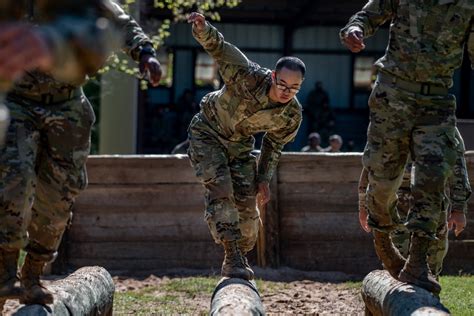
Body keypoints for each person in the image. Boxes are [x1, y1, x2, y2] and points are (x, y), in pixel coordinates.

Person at [0, 0, 162, 306]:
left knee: (58, 197)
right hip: (17, 102)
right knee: (12, 184)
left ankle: (32, 275)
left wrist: (145, 52)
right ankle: (4, 275)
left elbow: (118, 19)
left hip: (67, 105)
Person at [341, 0, 474, 293]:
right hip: (393, 93)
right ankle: (384, 242)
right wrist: (354, 29)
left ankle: (417, 262)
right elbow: (366, 16)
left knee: (432, 179)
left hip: (437, 100)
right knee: (384, 178)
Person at [187, 12, 304, 280]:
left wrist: (263, 179)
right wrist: (203, 28)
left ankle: (239, 251)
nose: (286, 92)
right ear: (273, 76)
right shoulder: (246, 74)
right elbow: (219, 48)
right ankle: (232, 256)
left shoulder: (291, 115)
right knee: (222, 189)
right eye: (282, 84)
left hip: (239, 146)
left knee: (249, 218)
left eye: (294, 88)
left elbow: (273, 146)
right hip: (208, 132)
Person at [358, 128, 471, 280]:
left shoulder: (441, 122)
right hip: (396, 203)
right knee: (397, 263)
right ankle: (400, 300)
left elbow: (457, 166)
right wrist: (364, 205)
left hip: (432, 202)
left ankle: (429, 300)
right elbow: (371, 166)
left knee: (432, 261)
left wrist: (459, 209)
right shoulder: (391, 120)